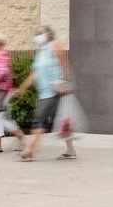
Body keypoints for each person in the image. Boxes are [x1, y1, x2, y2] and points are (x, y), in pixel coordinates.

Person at [17, 26, 76, 162]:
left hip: (55, 90)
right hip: (44, 92)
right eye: (36, 33)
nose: (37, 36)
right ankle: (71, 150)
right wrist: (22, 88)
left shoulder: (55, 45)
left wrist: (65, 82)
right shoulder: (41, 52)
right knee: (62, 121)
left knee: (40, 119)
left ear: (48, 33)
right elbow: (35, 73)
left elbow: (65, 65)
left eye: (40, 33)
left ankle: (30, 150)